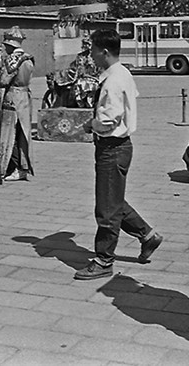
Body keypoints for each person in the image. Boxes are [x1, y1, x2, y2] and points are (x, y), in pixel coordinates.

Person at [75, 29, 163, 281]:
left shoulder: (112, 80)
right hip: (119, 147)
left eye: (92, 50)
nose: (91, 55)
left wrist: (91, 124)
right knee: (112, 199)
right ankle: (147, 235)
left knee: (106, 209)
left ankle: (104, 259)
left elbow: (109, 119)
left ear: (104, 51)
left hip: (112, 147)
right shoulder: (121, 73)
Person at [0, 26, 35, 182]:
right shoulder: (28, 58)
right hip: (25, 96)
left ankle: (13, 167)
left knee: (10, 133)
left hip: (12, 96)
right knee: (23, 133)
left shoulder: (12, 59)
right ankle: (24, 166)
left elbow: (3, 80)